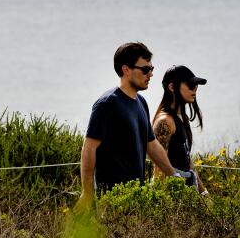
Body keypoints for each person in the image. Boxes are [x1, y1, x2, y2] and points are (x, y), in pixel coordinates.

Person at [76, 42, 192, 211]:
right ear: (126, 70)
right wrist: (87, 194)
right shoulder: (107, 104)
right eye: (145, 70)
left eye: (152, 69)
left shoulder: (141, 103)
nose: (150, 74)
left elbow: (152, 146)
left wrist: (173, 175)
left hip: (137, 198)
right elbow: (89, 149)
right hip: (111, 200)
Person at [152, 65, 209, 196]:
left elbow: (187, 161)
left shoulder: (182, 118)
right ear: (172, 87)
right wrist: (162, 206)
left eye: (196, 86)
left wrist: (204, 193)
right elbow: (158, 170)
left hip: (186, 193)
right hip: (172, 196)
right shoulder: (165, 122)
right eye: (190, 85)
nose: (194, 90)